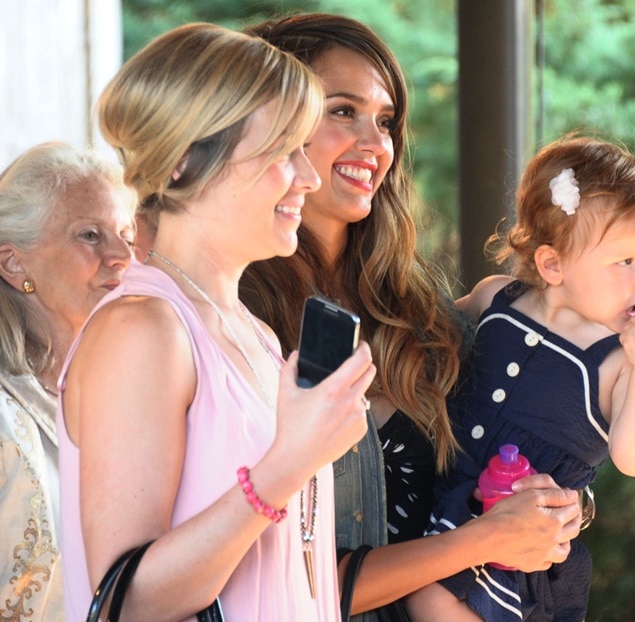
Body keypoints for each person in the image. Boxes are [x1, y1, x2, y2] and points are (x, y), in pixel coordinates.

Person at [240, 13, 582, 620]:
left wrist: (560, 503)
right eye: (342, 110)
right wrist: (477, 542)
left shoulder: (422, 315)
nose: (375, 144)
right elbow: (275, 579)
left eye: (386, 120)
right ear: (269, 118)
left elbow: (539, 437)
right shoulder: (238, 323)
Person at [57, 23, 376, 622]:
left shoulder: (254, 332)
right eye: (284, 152)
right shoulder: (142, 331)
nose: (308, 177)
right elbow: (130, 603)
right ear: (183, 164)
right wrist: (285, 468)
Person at [407, 135, 635, 621]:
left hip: (521, 543)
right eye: (625, 260)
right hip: (446, 503)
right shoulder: (496, 300)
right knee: (415, 588)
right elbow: (428, 339)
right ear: (552, 264)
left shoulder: (619, 360)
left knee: (424, 597)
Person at [0, 141, 135, 620]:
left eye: (126, 234)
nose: (122, 256)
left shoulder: (127, 393)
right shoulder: (5, 415)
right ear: (15, 265)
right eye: (91, 236)